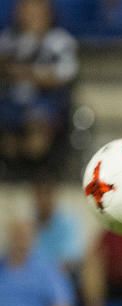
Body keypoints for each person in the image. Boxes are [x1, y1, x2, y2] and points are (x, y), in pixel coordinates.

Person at [0, 0, 78, 175]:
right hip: (12, 99)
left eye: (37, 10)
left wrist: (28, 74)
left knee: (37, 127)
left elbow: (65, 74)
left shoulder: (60, 40)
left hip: (46, 100)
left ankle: (41, 171)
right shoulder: (9, 38)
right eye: (26, 10)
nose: (31, 15)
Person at [28, 178, 83, 275]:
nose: (43, 201)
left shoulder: (67, 223)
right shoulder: (28, 224)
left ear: (54, 197)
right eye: (39, 195)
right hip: (33, 275)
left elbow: (71, 258)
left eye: (47, 195)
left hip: (60, 275)